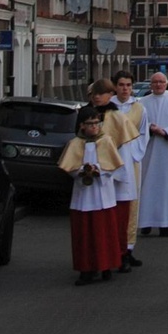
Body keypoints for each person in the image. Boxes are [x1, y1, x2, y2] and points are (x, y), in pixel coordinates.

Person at [58, 106, 124, 286]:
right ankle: (86, 269)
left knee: (104, 232)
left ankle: (106, 266)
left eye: (97, 123)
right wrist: (82, 172)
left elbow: (112, 166)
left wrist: (99, 171)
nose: (95, 127)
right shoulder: (75, 144)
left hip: (102, 193)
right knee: (85, 234)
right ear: (81, 126)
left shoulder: (106, 141)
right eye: (90, 123)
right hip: (83, 195)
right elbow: (69, 167)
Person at [88, 78, 140, 273]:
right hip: (95, 174)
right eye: (94, 94)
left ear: (109, 95)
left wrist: (116, 171)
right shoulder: (89, 114)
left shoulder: (117, 117)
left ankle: (122, 253)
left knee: (119, 218)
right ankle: (100, 257)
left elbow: (123, 146)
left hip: (116, 173)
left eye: (100, 93)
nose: (96, 97)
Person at [138, 72, 168, 237]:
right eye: (155, 82)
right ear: (151, 85)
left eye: (161, 82)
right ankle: (145, 222)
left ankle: (166, 223)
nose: (158, 85)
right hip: (148, 151)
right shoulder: (142, 103)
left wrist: (165, 131)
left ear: (166, 84)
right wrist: (150, 130)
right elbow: (137, 124)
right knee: (146, 185)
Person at [110, 70, 149, 268]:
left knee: (132, 204)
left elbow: (143, 133)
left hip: (131, 160)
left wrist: (134, 154)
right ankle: (113, 249)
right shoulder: (109, 108)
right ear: (115, 86)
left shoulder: (139, 108)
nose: (125, 89)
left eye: (128, 85)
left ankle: (128, 248)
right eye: (122, 85)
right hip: (112, 159)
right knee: (113, 205)